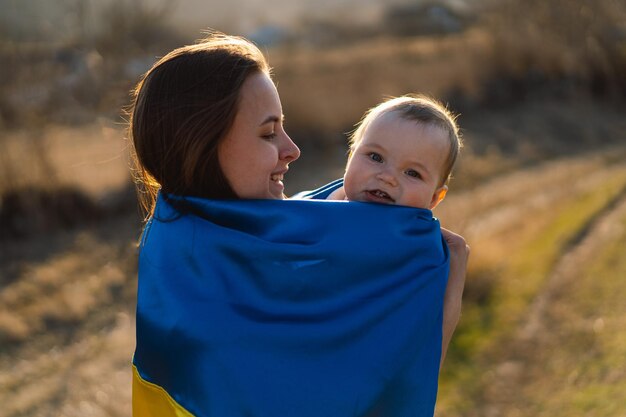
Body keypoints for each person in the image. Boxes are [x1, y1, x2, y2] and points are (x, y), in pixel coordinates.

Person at [129, 31, 469, 417]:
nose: (292, 149)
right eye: (268, 132)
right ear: (202, 143)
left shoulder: (198, 232)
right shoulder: (199, 270)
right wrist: (441, 317)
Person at [322, 95, 461, 212]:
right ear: (350, 158)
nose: (388, 177)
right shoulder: (312, 206)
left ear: (434, 198)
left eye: (412, 173)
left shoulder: (421, 242)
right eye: (375, 157)